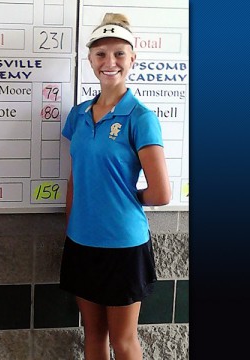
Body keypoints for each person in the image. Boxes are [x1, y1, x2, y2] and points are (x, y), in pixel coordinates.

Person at [59, 13, 171, 360]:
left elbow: (162, 193)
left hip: (122, 245)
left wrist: (120, 198)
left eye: (119, 54)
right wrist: (71, 223)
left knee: (123, 342)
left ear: (133, 58)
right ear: (90, 59)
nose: (110, 62)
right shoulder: (78, 114)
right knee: (93, 337)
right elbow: (76, 176)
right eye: (101, 54)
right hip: (81, 241)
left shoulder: (140, 117)